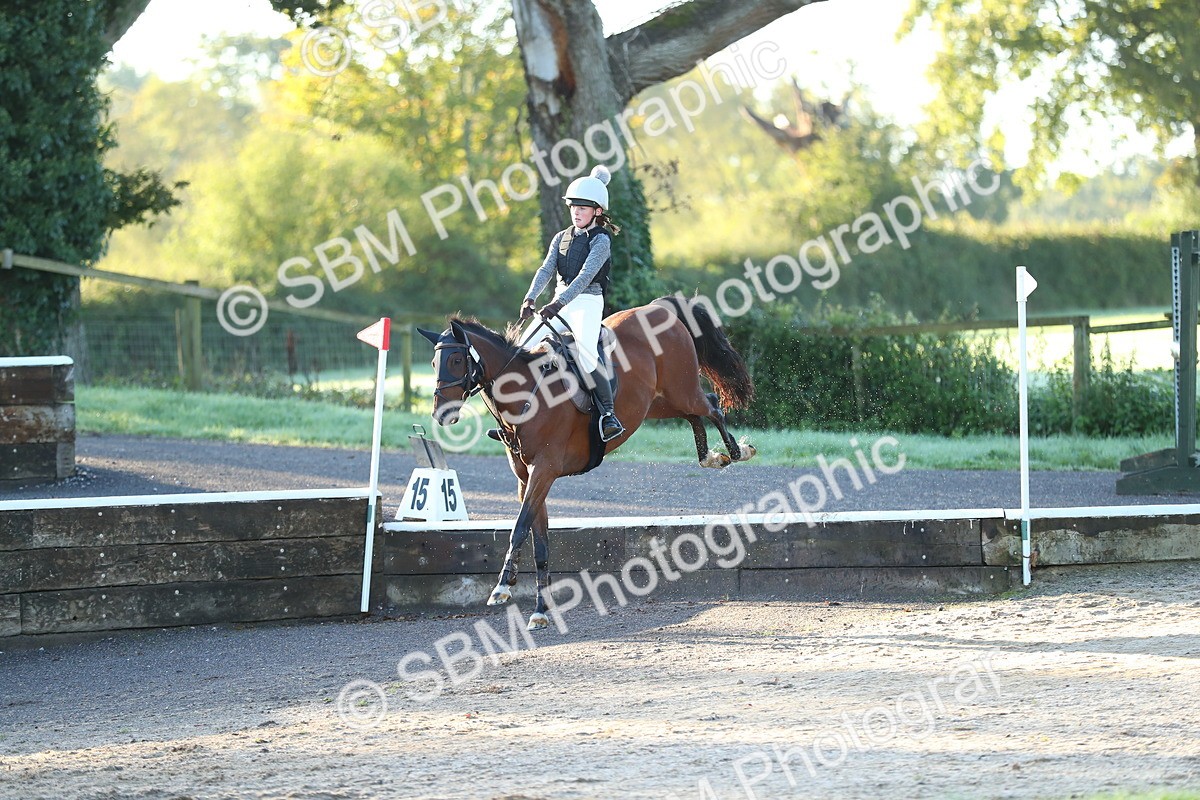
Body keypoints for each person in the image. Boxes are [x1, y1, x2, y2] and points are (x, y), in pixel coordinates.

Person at [518, 164, 625, 442]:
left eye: (583, 208)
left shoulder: (601, 240)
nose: (576, 212)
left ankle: (608, 415)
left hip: (587, 301)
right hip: (559, 301)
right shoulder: (560, 238)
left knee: (587, 355)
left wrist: (558, 303)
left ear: (597, 212)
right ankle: (516, 415)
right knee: (523, 347)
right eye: (573, 207)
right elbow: (545, 270)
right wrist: (531, 297)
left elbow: (584, 276)